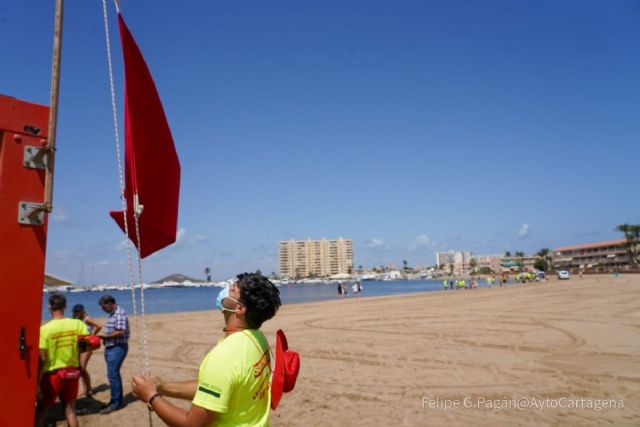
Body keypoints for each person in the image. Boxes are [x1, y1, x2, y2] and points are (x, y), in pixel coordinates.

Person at [131, 272, 281, 426]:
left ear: (240, 308)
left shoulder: (225, 357)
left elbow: (192, 424)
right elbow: (214, 389)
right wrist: (163, 387)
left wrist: (151, 396)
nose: (226, 288)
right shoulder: (257, 338)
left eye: (232, 289)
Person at [36, 293, 88, 427]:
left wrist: (37, 382)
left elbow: (42, 358)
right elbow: (86, 347)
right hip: (72, 372)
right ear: (65, 306)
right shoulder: (78, 324)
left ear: (49, 307)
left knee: (42, 409)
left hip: (52, 375)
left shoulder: (44, 330)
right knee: (70, 410)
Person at [98, 294, 130, 414]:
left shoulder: (119, 313)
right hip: (112, 347)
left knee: (113, 375)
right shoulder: (113, 313)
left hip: (117, 348)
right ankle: (114, 401)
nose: (103, 309)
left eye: (104, 307)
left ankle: (116, 403)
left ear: (110, 303)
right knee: (112, 375)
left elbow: (121, 332)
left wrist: (105, 337)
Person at [72, 303, 103, 397]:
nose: (76, 313)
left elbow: (99, 326)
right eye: (75, 311)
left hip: (87, 346)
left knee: (82, 368)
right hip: (80, 345)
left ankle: (87, 390)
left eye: (78, 311)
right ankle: (87, 389)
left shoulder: (87, 319)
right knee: (80, 368)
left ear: (82, 311)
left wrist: (91, 335)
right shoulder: (78, 319)